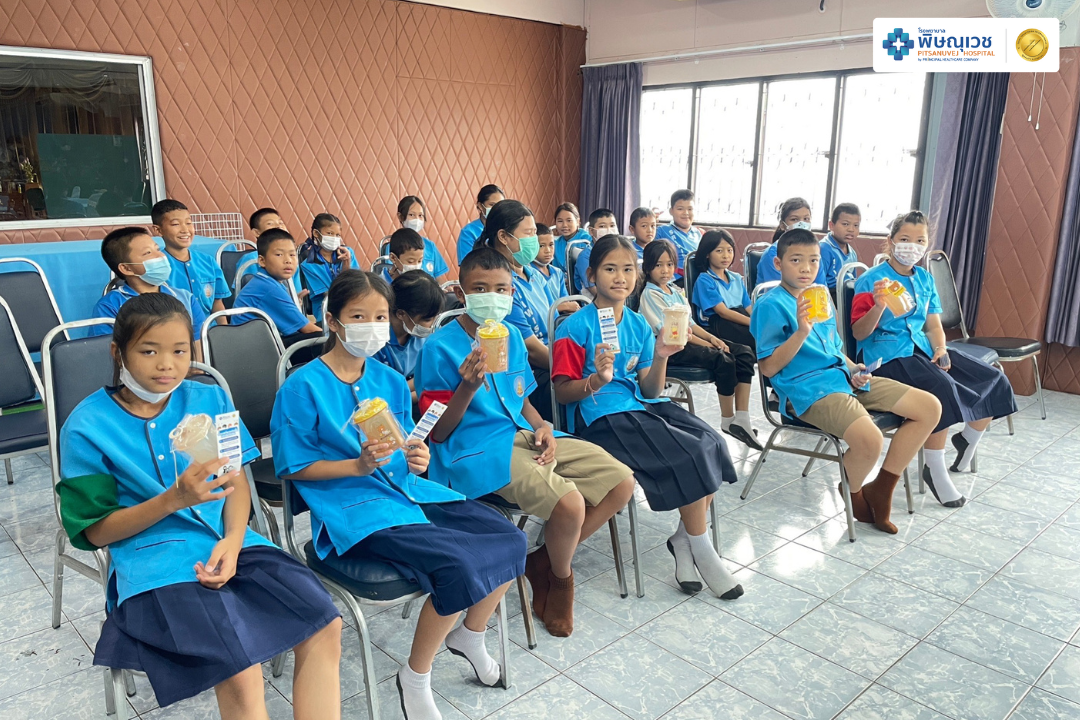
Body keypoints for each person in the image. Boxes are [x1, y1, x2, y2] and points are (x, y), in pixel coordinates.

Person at [59, 293, 342, 717]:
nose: (166, 365)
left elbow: (234, 480)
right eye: (149, 351)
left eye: (179, 351)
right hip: (155, 564)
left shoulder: (209, 399)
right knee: (238, 662)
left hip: (231, 542)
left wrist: (234, 540)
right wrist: (173, 500)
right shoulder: (87, 426)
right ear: (118, 352)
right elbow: (96, 531)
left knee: (324, 622)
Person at [272, 271, 523, 720]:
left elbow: (406, 442)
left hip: (408, 490)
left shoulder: (389, 380)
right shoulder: (302, 386)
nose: (371, 326)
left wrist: (417, 456)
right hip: (356, 509)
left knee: (511, 539)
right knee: (459, 566)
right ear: (333, 321)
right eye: (358, 317)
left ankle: (470, 634)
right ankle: (415, 675)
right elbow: (293, 466)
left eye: (379, 316)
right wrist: (358, 467)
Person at [415, 247, 636, 637]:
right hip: (473, 451)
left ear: (512, 292)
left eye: (501, 289)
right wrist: (467, 387)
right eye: (480, 288)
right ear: (462, 292)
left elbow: (522, 401)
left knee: (621, 482)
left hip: (521, 433)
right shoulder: (439, 348)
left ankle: (541, 560)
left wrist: (544, 426)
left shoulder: (512, 336)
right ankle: (561, 578)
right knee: (569, 504)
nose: (492, 297)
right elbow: (439, 432)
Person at [552, 235, 744, 599]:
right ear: (591, 275)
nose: (620, 277)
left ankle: (685, 541)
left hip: (639, 404)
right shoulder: (574, 327)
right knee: (688, 453)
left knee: (711, 443)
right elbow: (562, 392)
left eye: (628, 269)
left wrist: (661, 356)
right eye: (610, 269)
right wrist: (597, 380)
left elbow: (651, 390)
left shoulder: (639, 324)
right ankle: (701, 548)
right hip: (600, 417)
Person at [751, 228, 941, 533]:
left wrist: (855, 369)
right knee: (870, 440)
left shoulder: (820, 295)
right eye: (796, 260)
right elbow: (769, 368)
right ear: (778, 263)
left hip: (842, 377)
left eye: (813, 261)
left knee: (929, 407)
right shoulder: (770, 305)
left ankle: (882, 488)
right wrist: (801, 331)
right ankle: (853, 492)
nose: (806, 268)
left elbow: (835, 348)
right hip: (809, 389)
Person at [852, 211, 1017, 508]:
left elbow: (932, 326)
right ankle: (934, 469)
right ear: (891, 241)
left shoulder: (925, 279)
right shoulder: (871, 280)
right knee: (939, 388)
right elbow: (858, 333)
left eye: (920, 241)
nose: (912, 246)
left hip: (923, 349)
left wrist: (941, 348)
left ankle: (967, 439)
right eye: (905, 239)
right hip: (887, 357)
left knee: (992, 377)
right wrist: (878, 307)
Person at [641, 240, 760, 450]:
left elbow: (691, 324)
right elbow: (674, 333)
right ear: (648, 267)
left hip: (688, 340)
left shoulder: (674, 291)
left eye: (669, 264)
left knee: (744, 352)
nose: (665, 270)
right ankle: (728, 419)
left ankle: (742, 417)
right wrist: (709, 345)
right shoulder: (650, 295)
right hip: (671, 349)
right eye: (659, 265)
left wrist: (712, 339)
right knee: (723, 358)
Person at [477, 200, 557, 421]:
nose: (534, 240)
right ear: (504, 237)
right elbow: (531, 349)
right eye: (528, 234)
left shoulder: (535, 274)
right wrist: (570, 367)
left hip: (554, 358)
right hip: (530, 372)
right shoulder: (498, 285)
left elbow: (556, 320)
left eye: (534, 233)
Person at [90, 227, 208, 353]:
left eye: (157, 249)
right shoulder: (109, 307)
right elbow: (107, 354)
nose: (160, 256)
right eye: (148, 253)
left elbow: (199, 346)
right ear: (127, 268)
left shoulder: (186, 298)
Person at [233, 228, 323, 346]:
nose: (288, 260)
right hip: (255, 350)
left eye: (292, 254)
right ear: (262, 261)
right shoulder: (269, 288)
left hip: (259, 343)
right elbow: (309, 329)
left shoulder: (266, 281)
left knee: (324, 328)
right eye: (279, 254)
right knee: (324, 338)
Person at [375, 269, 443, 401]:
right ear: (401, 314)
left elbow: (432, 374)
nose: (433, 325)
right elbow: (382, 393)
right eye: (428, 319)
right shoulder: (375, 342)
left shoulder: (420, 335)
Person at [152, 199, 228, 317]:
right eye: (175, 224)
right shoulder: (156, 266)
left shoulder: (208, 261)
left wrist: (222, 328)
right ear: (158, 230)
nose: (185, 230)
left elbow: (217, 304)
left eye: (188, 223)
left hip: (210, 327)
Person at [691, 229, 756, 350]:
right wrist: (754, 323)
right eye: (719, 251)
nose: (726, 256)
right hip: (719, 322)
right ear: (707, 254)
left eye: (729, 250)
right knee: (757, 338)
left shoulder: (737, 278)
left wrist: (759, 321)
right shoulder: (705, 280)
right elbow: (723, 312)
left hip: (740, 316)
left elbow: (748, 307)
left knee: (768, 334)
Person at [755, 198, 825, 286]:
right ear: (782, 225)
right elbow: (780, 289)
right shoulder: (772, 254)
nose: (802, 224)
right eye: (794, 219)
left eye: (806, 219)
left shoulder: (814, 252)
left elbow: (821, 286)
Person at [299, 212, 359, 314]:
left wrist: (346, 264)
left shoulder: (348, 253)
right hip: (325, 309)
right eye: (330, 233)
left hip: (351, 303)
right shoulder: (309, 263)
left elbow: (356, 284)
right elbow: (328, 295)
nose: (334, 238)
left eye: (337, 235)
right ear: (316, 233)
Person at [244, 207, 306, 301]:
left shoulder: (291, 261)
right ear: (256, 232)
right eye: (270, 223)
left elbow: (296, 293)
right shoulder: (250, 260)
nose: (278, 226)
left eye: (280, 223)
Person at [396, 195, 451, 282]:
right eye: (411, 215)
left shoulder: (430, 246)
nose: (417, 219)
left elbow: (439, 278)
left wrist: (445, 288)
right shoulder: (393, 245)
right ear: (400, 217)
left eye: (420, 215)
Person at [654, 189, 701, 276]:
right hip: (672, 279)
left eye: (690, 209)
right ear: (671, 211)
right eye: (680, 209)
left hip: (697, 277)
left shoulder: (698, 233)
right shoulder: (661, 231)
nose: (686, 213)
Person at [573, 208, 619, 296]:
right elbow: (593, 289)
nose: (609, 230)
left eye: (612, 225)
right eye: (602, 226)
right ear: (591, 231)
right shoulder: (585, 257)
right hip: (595, 300)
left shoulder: (619, 252)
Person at [456, 184, 504, 264]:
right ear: (480, 206)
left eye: (500, 205)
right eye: (492, 205)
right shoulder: (468, 233)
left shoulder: (507, 229)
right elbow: (467, 265)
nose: (497, 209)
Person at [820, 202, 862, 291]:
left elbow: (853, 281)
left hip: (847, 293)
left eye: (856, 225)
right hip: (829, 294)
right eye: (845, 224)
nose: (851, 229)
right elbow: (818, 284)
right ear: (831, 225)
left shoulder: (852, 253)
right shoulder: (823, 249)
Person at [532, 223, 567, 303]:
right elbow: (539, 305)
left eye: (551, 245)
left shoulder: (557, 272)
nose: (548, 250)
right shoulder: (530, 273)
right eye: (541, 246)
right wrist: (562, 307)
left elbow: (565, 300)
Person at [552, 202, 591, 271]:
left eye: (569, 220)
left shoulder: (587, 240)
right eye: (560, 221)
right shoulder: (555, 244)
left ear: (577, 221)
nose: (564, 225)